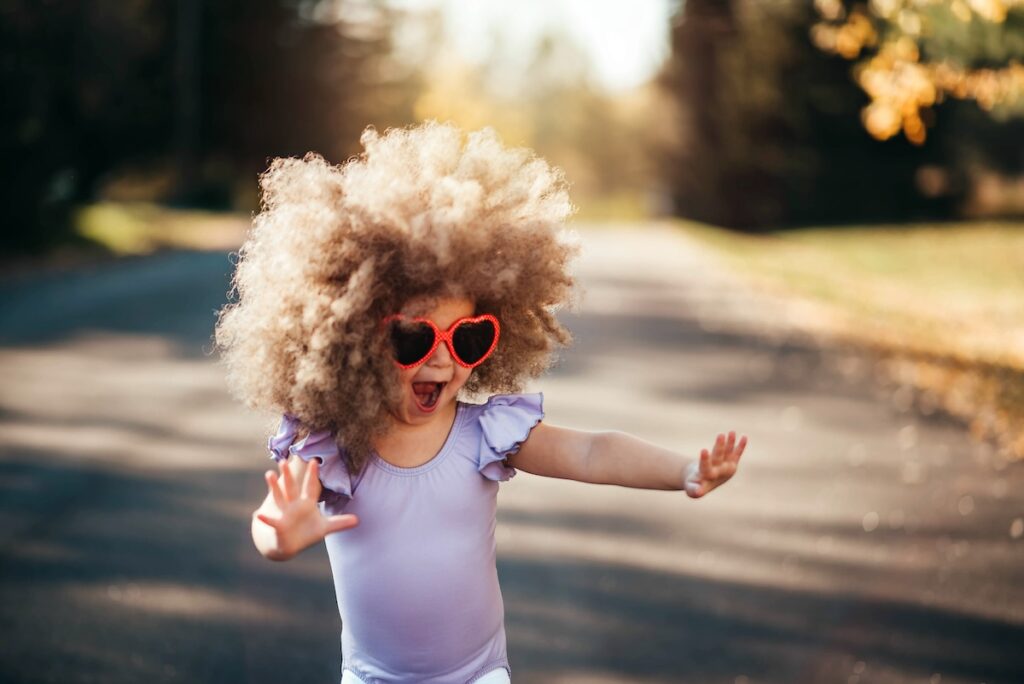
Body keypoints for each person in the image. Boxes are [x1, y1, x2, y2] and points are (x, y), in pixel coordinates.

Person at [214, 121, 747, 684]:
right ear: (352, 337)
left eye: (468, 337)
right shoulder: (335, 449)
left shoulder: (486, 434)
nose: (442, 359)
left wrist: (684, 471)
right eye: (414, 338)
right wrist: (279, 535)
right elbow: (272, 520)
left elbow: (593, 453)